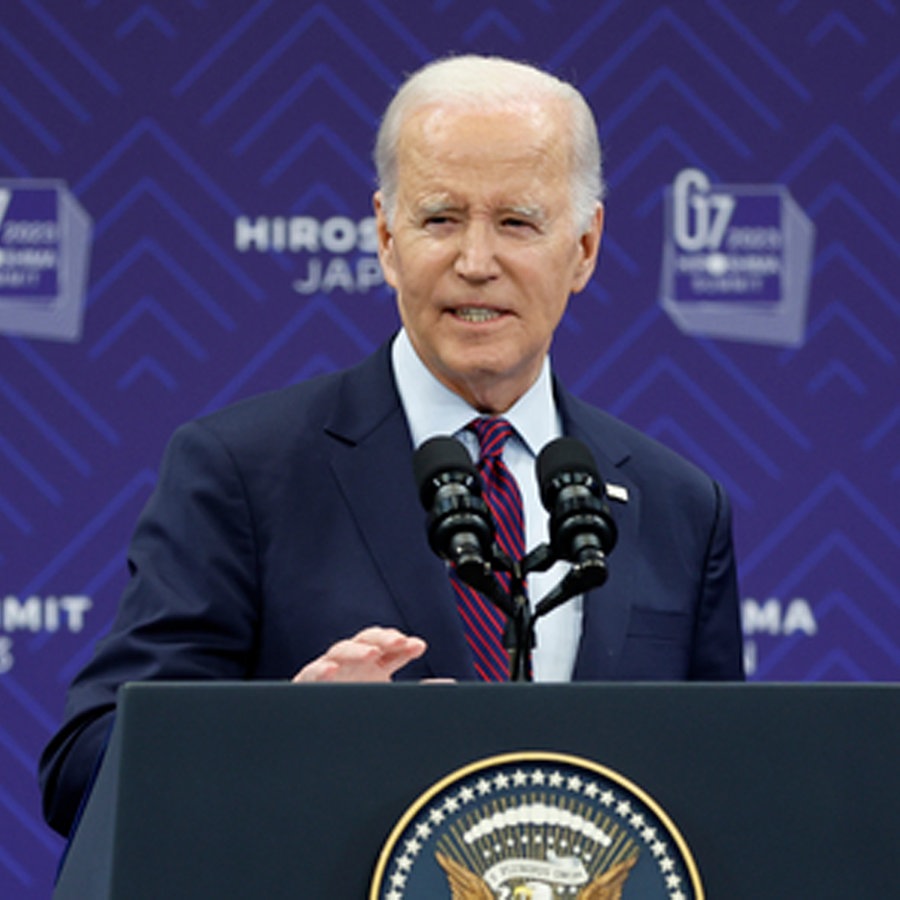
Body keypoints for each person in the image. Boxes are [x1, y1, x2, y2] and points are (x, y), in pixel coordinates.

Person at [39, 54, 744, 837]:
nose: (476, 263)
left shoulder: (679, 505)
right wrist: (282, 736)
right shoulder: (242, 471)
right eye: (440, 219)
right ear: (384, 236)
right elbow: (83, 767)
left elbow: (727, 798)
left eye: (517, 222)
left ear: (583, 248)